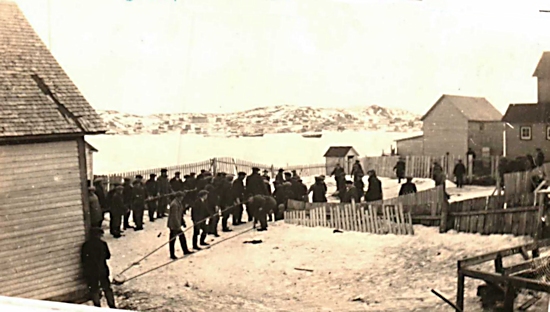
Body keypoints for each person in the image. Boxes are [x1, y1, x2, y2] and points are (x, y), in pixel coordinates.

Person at [81, 227, 116, 308]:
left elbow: (83, 259)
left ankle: (97, 306)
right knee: (107, 288)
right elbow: (108, 256)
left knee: (94, 289)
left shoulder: (86, 245)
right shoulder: (103, 244)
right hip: (102, 269)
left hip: (91, 271)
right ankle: (112, 305)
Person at [167, 191, 193, 259]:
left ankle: (185, 250)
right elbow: (174, 216)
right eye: (182, 197)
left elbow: (180, 215)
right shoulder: (174, 204)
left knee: (182, 237)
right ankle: (172, 254)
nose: (182, 198)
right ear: (179, 197)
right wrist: (178, 225)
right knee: (173, 240)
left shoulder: (178, 203)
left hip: (177, 223)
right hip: (173, 225)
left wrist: (183, 222)